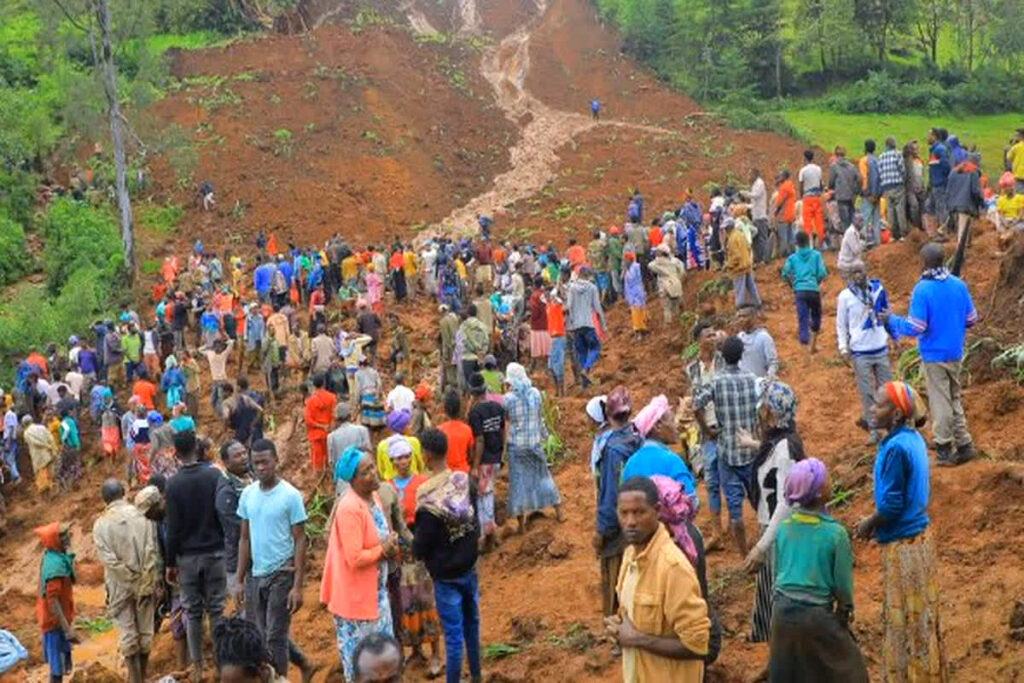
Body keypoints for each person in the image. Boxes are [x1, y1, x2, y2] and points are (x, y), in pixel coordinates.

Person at [855, 382, 946, 682]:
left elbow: (892, 505)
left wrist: (869, 523)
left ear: (895, 415)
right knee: (921, 618)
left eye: (878, 405)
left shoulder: (895, 449)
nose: (871, 407)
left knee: (905, 622)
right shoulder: (911, 438)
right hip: (920, 539)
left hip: (902, 544)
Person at [770, 459, 868, 682]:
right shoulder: (835, 534)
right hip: (815, 616)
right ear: (819, 492)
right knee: (851, 671)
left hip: (780, 613)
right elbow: (843, 585)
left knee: (789, 672)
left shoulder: (784, 529)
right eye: (827, 480)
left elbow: (779, 571)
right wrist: (845, 610)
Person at [604, 477, 710, 682]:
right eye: (624, 513)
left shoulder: (673, 568)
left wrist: (637, 639)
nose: (630, 522)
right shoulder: (629, 556)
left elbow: (698, 645)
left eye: (639, 512)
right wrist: (618, 627)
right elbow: (633, 616)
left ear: (657, 510)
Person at [884, 243, 976, 465]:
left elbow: (916, 326)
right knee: (954, 397)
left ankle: (943, 447)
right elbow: (972, 319)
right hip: (955, 351)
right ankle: (964, 444)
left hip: (935, 354)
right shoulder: (958, 285)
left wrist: (892, 320)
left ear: (923, 263)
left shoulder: (922, 289)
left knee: (940, 401)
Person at [729, 380, 805, 646]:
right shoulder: (780, 440)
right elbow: (770, 453)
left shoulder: (786, 449)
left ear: (773, 413)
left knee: (778, 597)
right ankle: (774, 651)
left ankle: (781, 656)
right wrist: (751, 443)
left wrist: (762, 547)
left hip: (780, 533)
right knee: (768, 592)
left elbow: (787, 502)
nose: (760, 413)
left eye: (764, 408)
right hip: (773, 529)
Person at [321, 447, 399, 682]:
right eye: (366, 472)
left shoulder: (373, 497)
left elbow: (382, 531)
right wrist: (384, 549)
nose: (373, 474)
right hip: (356, 604)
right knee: (362, 667)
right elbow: (354, 558)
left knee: (383, 663)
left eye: (373, 467)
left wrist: (390, 541)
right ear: (353, 480)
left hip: (376, 596)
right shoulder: (349, 508)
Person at [412, 428, 482, 683]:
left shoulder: (426, 496)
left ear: (427, 456)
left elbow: (422, 545)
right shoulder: (463, 480)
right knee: (472, 626)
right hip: (469, 567)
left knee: (453, 636)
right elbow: (475, 520)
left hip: (445, 576)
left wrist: (411, 542)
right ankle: (476, 676)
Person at [235, 440, 307, 677]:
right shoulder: (247, 495)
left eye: (265, 461)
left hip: (282, 573)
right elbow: (244, 538)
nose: (261, 467)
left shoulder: (290, 496)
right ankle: (289, 670)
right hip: (256, 574)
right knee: (260, 633)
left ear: (276, 460)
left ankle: (280, 678)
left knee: (275, 636)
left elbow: (299, 540)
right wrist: (239, 580)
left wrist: (297, 586)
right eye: (256, 463)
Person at [165, 430, 227, 682]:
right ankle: (222, 664)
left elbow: (173, 529)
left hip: (187, 559)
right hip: (215, 553)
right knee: (217, 610)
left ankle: (198, 667)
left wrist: (170, 563)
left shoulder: (173, 484)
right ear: (197, 448)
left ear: (175, 453)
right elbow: (222, 513)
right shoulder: (214, 475)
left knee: (192, 612)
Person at [694, 336, 760, 556]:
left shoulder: (717, 381)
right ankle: (764, 545)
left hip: (726, 451)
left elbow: (696, 406)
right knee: (758, 499)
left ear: (723, 356)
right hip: (750, 449)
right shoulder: (752, 379)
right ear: (742, 355)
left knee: (735, 509)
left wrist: (707, 431)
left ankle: (744, 556)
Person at [92, 478, 160, 683]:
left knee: (128, 634)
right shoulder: (142, 516)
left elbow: (109, 560)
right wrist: (144, 579)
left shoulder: (101, 524)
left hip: (119, 585)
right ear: (124, 492)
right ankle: (143, 675)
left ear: (104, 499)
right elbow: (152, 550)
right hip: (145, 581)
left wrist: (128, 578)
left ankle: (134, 678)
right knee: (146, 631)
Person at [593, 386, 643, 619]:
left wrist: (602, 530)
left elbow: (609, 493)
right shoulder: (638, 438)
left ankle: (617, 629)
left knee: (615, 578)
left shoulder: (611, 448)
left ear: (609, 414)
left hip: (618, 522)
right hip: (642, 514)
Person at [503, 363, 562, 533]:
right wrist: (545, 436)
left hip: (517, 446)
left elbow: (506, 421)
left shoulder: (508, 399)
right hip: (534, 443)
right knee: (544, 477)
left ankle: (521, 526)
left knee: (518, 484)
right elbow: (539, 418)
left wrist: (503, 450)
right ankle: (558, 511)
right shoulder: (535, 394)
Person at [837, 265, 893, 445]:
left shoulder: (877, 290)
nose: (858, 276)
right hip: (860, 351)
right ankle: (874, 430)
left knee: (887, 391)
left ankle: (890, 427)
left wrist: (893, 334)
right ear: (849, 276)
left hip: (880, 347)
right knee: (867, 393)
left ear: (866, 272)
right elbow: (841, 324)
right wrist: (843, 348)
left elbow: (887, 313)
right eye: (854, 273)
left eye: (861, 271)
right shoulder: (845, 297)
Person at [685, 323, 725, 546]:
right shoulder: (691, 369)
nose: (713, 338)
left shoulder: (724, 360)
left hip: (725, 426)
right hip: (707, 430)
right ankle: (717, 532)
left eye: (714, 334)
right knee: (711, 482)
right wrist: (705, 429)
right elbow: (694, 402)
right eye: (708, 335)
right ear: (698, 340)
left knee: (733, 478)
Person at [622, 395, 696, 497]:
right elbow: (691, 501)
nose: (676, 426)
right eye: (671, 420)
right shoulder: (672, 460)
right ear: (658, 426)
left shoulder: (630, 464)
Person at [35, 521, 79, 683]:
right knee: (57, 668)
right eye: (63, 536)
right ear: (55, 540)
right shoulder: (54, 567)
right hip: (54, 623)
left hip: (57, 621)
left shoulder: (57, 556)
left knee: (59, 664)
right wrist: (67, 630)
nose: (68, 537)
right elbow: (53, 601)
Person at [467, 373, 505, 550]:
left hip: (485, 462)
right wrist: (502, 453)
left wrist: (475, 465)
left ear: (473, 393)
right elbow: (503, 430)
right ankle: (489, 532)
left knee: (484, 497)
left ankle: (487, 535)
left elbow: (479, 440)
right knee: (487, 492)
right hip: (496, 457)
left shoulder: (475, 413)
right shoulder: (497, 407)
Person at [781, 231, 827, 351]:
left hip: (800, 291)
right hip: (813, 290)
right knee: (816, 316)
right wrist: (815, 282)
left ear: (796, 244)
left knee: (803, 317)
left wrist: (793, 285)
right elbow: (822, 273)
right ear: (808, 242)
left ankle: (804, 347)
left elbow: (785, 273)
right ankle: (814, 345)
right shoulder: (816, 255)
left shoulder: (792, 258)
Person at [566, 268, 607, 388]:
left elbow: (569, 307)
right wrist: (603, 325)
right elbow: (597, 308)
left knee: (581, 352)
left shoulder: (572, 288)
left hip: (576, 326)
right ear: (587, 275)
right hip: (588, 324)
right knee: (595, 347)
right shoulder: (592, 288)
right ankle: (587, 369)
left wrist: (570, 325)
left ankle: (584, 386)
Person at [724, 218, 761, 308]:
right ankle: (757, 303)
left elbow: (736, 256)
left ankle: (740, 306)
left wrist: (728, 265)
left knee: (739, 288)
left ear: (728, 228)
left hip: (739, 268)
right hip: (747, 265)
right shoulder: (741, 235)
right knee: (751, 286)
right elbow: (748, 248)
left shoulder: (732, 239)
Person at [304, 373, 337, 472]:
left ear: (314, 385)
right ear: (324, 383)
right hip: (329, 433)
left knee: (317, 461)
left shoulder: (310, 401)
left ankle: (318, 481)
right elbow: (334, 416)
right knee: (329, 458)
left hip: (315, 434)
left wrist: (320, 426)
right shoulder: (332, 397)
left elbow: (308, 420)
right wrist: (329, 427)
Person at [647, 244, 686, 325]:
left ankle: (668, 325)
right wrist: (677, 278)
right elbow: (682, 271)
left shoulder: (657, 263)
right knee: (676, 306)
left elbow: (650, 265)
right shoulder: (675, 261)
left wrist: (657, 259)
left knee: (667, 308)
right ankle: (678, 324)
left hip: (664, 286)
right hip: (675, 284)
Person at [737, 306, 778, 380]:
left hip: (759, 385)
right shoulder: (739, 337)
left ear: (754, 317)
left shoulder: (764, 337)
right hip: (742, 385)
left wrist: (767, 380)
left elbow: (773, 363)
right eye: (739, 317)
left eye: (744, 316)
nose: (741, 319)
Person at [437, 391, 474, 474]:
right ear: (460, 409)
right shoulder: (467, 429)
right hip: (463, 472)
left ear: (445, 409)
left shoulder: (440, 430)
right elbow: (471, 455)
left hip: (445, 473)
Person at [829, 146, 863, 236]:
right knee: (852, 218)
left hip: (840, 196)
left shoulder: (834, 166)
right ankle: (856, 238)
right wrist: (856, 191)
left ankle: (848, 241)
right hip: (851, 196)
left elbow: (831, 181)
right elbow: (859, 179)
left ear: (836, 155)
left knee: (844, 221)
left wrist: (832, 187)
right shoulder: (851, 166)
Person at [880, 136, 908, 240]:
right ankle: (903, 234)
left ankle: (891, 234)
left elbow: (880, 171)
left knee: (890, 211)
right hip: (897, 185)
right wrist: (903, 180)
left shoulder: (882, 156)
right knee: (900, 209)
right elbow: (902, 169)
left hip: (886, 186)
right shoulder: (897, 154)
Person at [924, 127, 952, 235]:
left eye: (929, 135)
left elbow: (946, 167)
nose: (927, 137)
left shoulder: (940, 150)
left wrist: (942, 179)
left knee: (941, 207)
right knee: (929, 206)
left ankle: (943, 230)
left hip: (939, 184)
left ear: (934, 137)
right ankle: (935, 230)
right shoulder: (934, 150)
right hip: (934, 184)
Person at [25, 413, 58, 495]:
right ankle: (54, 489)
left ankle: (47, 495)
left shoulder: (27, 433)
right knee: (51, 473)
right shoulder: (42, 427)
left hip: (38, 458)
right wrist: (53, 448)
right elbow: (50, 438)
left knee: (42, 476)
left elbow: (31, 443)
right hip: (48, 453)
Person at [798, 149, 825, 245]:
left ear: (805, 158)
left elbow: (801, 185)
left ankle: (808, 243)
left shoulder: (803, 170)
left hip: (807, 198)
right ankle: (821, 241)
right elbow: (821, 184)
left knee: (807, 221)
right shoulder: (818, 169)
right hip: (817, 198)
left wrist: (801, 197)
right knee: (819, 220)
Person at [859, 139, 883, 246]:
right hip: (878, 194)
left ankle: (862, 243)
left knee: (864, 219)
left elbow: (865, 178)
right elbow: (880, 178)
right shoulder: (878, 160)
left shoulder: (864, 161)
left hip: (869, 195)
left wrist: (868, 193)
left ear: (865, 148)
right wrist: (878, 194)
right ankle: (878, 243)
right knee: (876, 220)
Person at [355, 356, 385, 430]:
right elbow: (379, 384)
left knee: (366, 422)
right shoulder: (373, 371)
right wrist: (378, 395)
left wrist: (357, 401)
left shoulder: (358, 374)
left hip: (365, 398)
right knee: (376, 420)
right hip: (374, 396)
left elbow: (358, 389)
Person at [622, 252, 647, 340]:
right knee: (636, 311)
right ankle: (640, 329)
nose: (624, 262)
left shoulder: (636, 267)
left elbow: (636, 278)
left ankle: (639, 331)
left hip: (637, 291)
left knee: (637, 311)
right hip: (631, 293)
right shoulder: (628, 268)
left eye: (625, 260)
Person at [773, 170, 797, 257]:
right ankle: (792, 252)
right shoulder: (791, 185)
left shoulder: (784, 187)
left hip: (784, 214)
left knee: (784, 236)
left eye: (781, 176)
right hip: (791, 213)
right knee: (791, 235)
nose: (779, 178)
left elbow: (779, 202)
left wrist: (775, 211)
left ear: (784, 177)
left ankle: (785, 254)